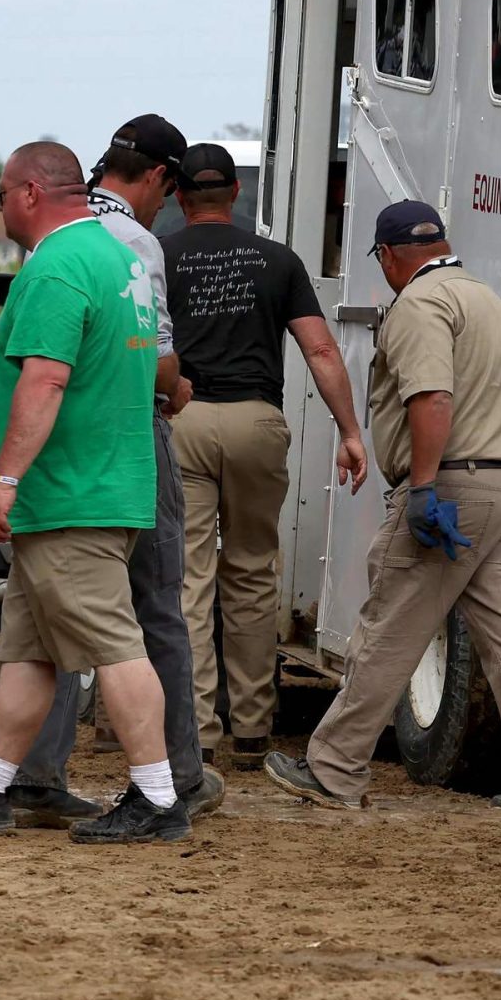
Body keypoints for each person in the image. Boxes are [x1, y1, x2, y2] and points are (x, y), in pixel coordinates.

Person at [0, 143, 189, 841]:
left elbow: (45, 378)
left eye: (2, 192)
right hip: (100, 483)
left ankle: (157, 799)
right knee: (27, 651)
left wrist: (2, 480)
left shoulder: (56, 266)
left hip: (71, 496)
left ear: (32, 192)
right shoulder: (120, 256)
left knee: (117, 645)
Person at [265, 201, 501, 812]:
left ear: (387, 255)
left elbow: (432, 397)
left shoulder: (420, 303)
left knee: (389, 627)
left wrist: (424, 486)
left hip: (453, 489)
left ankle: (334, 768)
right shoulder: (485, 298)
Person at [4, 115, 220, 827]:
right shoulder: (131, 243)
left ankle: (28, 773)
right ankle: (174, 779)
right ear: (158, 177)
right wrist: (176, 384)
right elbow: (148, 356)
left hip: (55, 461)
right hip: (120, 445)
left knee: (48, 615)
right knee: (153, 611)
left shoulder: (55, 241)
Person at [163, 143, 369, 765]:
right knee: (252, 573)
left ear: (179, 196)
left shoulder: (159, 257)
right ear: (232, 194)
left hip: (182, 417)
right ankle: (253, 728)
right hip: (257, 420)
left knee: (189, 580)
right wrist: (350, 431)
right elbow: (322, 353)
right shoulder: (277, 260)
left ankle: (197, 730)